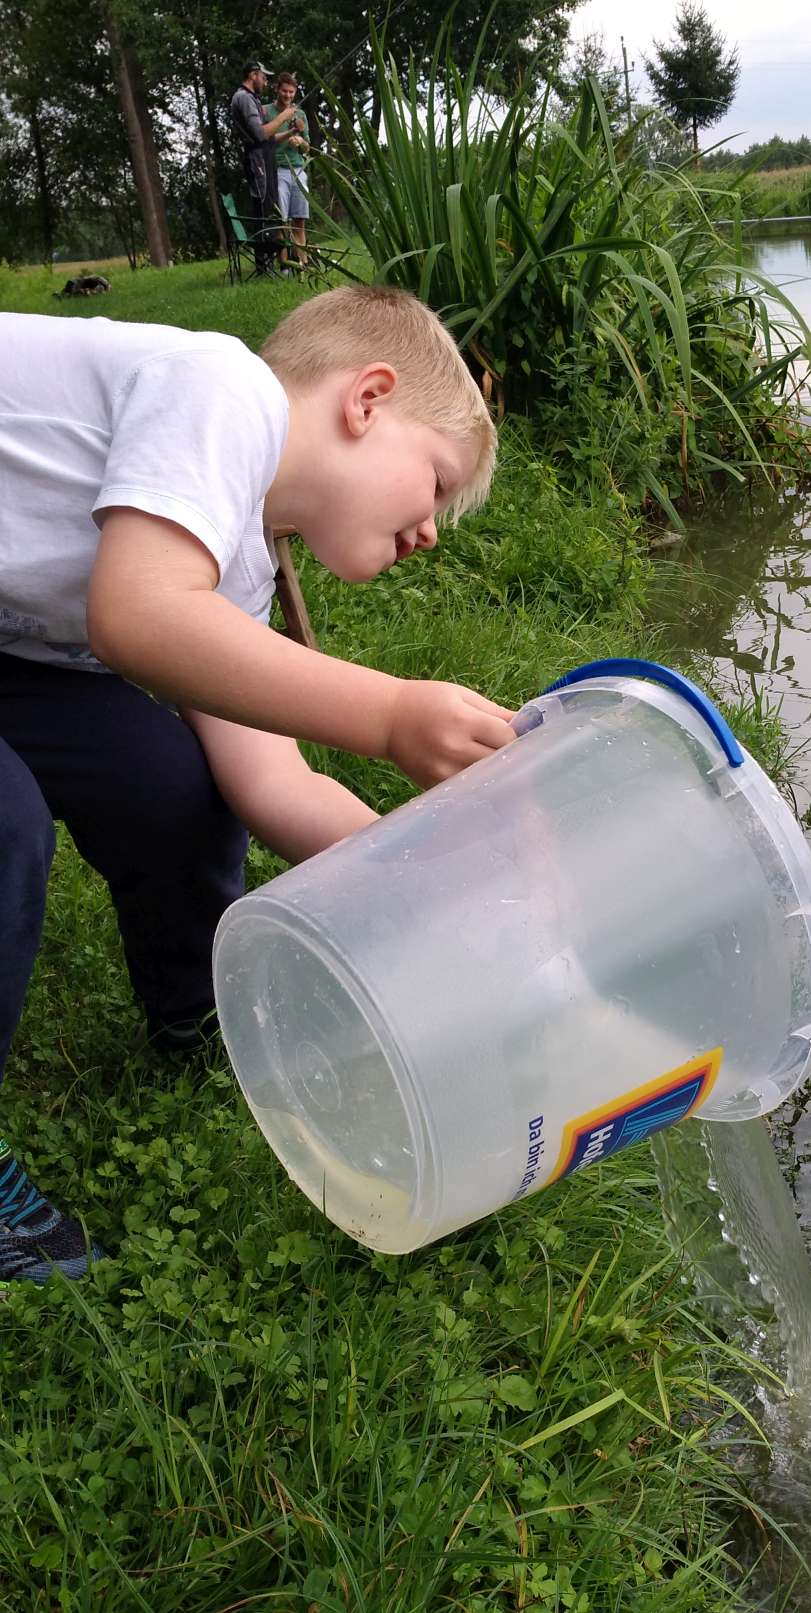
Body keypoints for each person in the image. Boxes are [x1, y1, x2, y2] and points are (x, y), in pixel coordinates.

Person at [0, 285, 510, 1286]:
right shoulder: (222, 388)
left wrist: (429, 874)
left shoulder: (235, 569)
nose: (430, 531)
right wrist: (392, 715)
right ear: (367, 398)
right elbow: (137, 616)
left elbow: (269, 780)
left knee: (172, 786)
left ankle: (193, 1014)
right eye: (438, 483)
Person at [228, 60, 301, 275]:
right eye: (264, 77)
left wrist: (291, 132)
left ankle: (268, 265)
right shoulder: (243, 98)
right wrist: (284, 116)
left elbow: (268, 139)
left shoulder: (251, 98)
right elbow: (261, 134)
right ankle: (264, 267)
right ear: (253, 75)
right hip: (257, 161)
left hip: (264, 157)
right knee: (263, 210)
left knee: (270, 209)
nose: (266, 81)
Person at [272, 71, 310, 271]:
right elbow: (264, 138)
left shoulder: (300, 114)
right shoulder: (266, 111)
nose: (287, 95)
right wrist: (290, 132)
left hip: (299, 170)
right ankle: (285, 266)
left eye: (291, 92)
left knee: (299, 219)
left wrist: (300, 141)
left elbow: (307, 148)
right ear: (277, 89)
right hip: (278, 170)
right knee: (282, 221)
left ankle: (303, 264)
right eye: (284, 91)